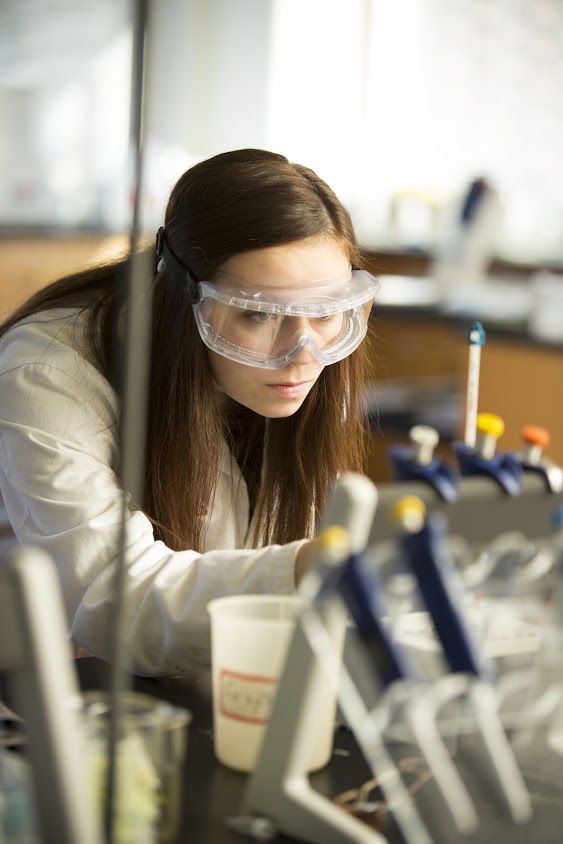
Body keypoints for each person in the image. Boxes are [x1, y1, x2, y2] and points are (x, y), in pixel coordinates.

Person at [0, 148, 378, 676]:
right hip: (49, 692)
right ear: (185, 297)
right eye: (259, 313)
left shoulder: (300, 360)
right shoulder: (45, 372)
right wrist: (305, 570)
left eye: (327, 312)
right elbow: (115, 598)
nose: (304, 353)